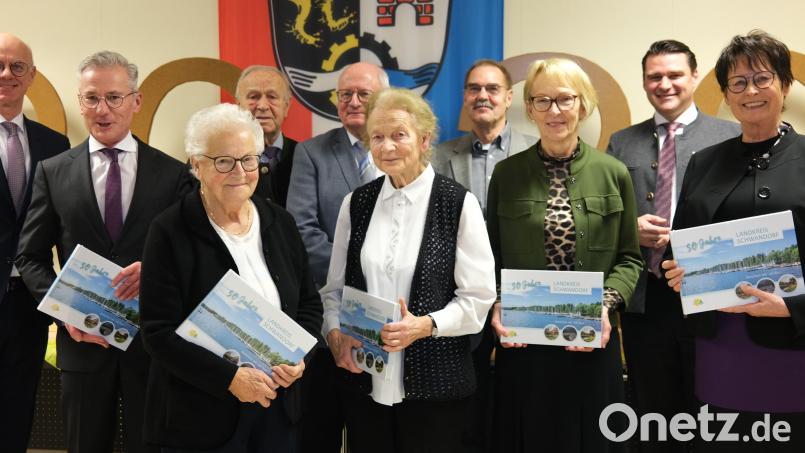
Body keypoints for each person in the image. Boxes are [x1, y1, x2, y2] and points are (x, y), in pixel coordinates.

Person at [16, 50, 191, 453]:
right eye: (92, 98)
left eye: (114, 97)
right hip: (81, 344)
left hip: (151, 344)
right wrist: (64, 310)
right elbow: (29, 257)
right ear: (80, 102)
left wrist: (155, 270)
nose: (103, 109)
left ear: (136, 101)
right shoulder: (54, 171)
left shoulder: (172, 174)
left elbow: (189, 254)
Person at [320, 88, 496, 453]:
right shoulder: (357, 204)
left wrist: (426, 325)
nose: (387, 147)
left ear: (424, 139)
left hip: (437, 388)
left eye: (399, 135)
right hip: (364, 384)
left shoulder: (458, 203)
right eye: (377, 137)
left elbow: (478, 298)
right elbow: (334, 290)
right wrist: (335, 335)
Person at [138, 103, 322, 452]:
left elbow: (309, 305)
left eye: (249, 159)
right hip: (200, 416)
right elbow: (157, 332)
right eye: (223, 161)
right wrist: (230, 379)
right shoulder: (169, 229)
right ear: (196, 164)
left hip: (277, 409)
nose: (239, 171)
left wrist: (300, 359)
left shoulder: (280, 222)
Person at [487, 58, 642, 453]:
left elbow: (629, 258)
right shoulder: (506, 175)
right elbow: (491, 256)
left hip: (592, 340)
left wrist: (605, 306)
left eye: (565, 99)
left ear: (583, 105)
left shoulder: (613, 172)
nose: (554, 111)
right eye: (542, 101)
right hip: (525, 347)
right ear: (530, 107)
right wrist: (499, 304)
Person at [663, 30, 805, 453]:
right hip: (719, 346)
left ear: (784, 84)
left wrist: (792, 307)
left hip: (793, 347)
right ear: (726, 95)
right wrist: (676, 271)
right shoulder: (704, 163)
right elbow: (681, 241)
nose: (751, 91)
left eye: (762, 78)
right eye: (738, 83)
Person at [606, 40, 740, 452]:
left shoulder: (731, 135)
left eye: (675, 75)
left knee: (712, 409)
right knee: (653, 412)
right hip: (645, 301)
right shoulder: (621, 142)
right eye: (655, 77)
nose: (665, 84)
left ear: (695, 77)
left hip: (711, 298)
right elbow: (606, 219)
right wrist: (630, 228)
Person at [432, 58, 536, 453]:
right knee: (468, 401)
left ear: (509, 97)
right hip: (462, 297)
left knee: (518, 399)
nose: (483, 96)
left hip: (522, 295)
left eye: (492, 89)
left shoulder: (534, 151)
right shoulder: (440, 156)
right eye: (474, 88)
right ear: (465, 98)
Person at [286, 61, 389, 453]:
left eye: (363, 93)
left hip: (388, 318)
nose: (353, 101)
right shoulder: (312, 153)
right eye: (344, 94)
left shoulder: (399, 152)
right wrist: (362, 275)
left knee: (375, 426)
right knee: (322, 427)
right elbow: (303, 231)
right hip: (328, 312)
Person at [0, 32, 70, 453]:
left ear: (32, 77)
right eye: (0, 65)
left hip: (27, 305)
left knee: (17, 410)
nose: (6, 74)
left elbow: (62, 229)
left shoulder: (54, 145)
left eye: (17, 67)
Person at [235, 65, 297, 207]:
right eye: (253, 97)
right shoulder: (221, 158)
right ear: (238, 106)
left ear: (286, 106)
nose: (263, 105)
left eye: (272, 97)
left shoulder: (306, 157)